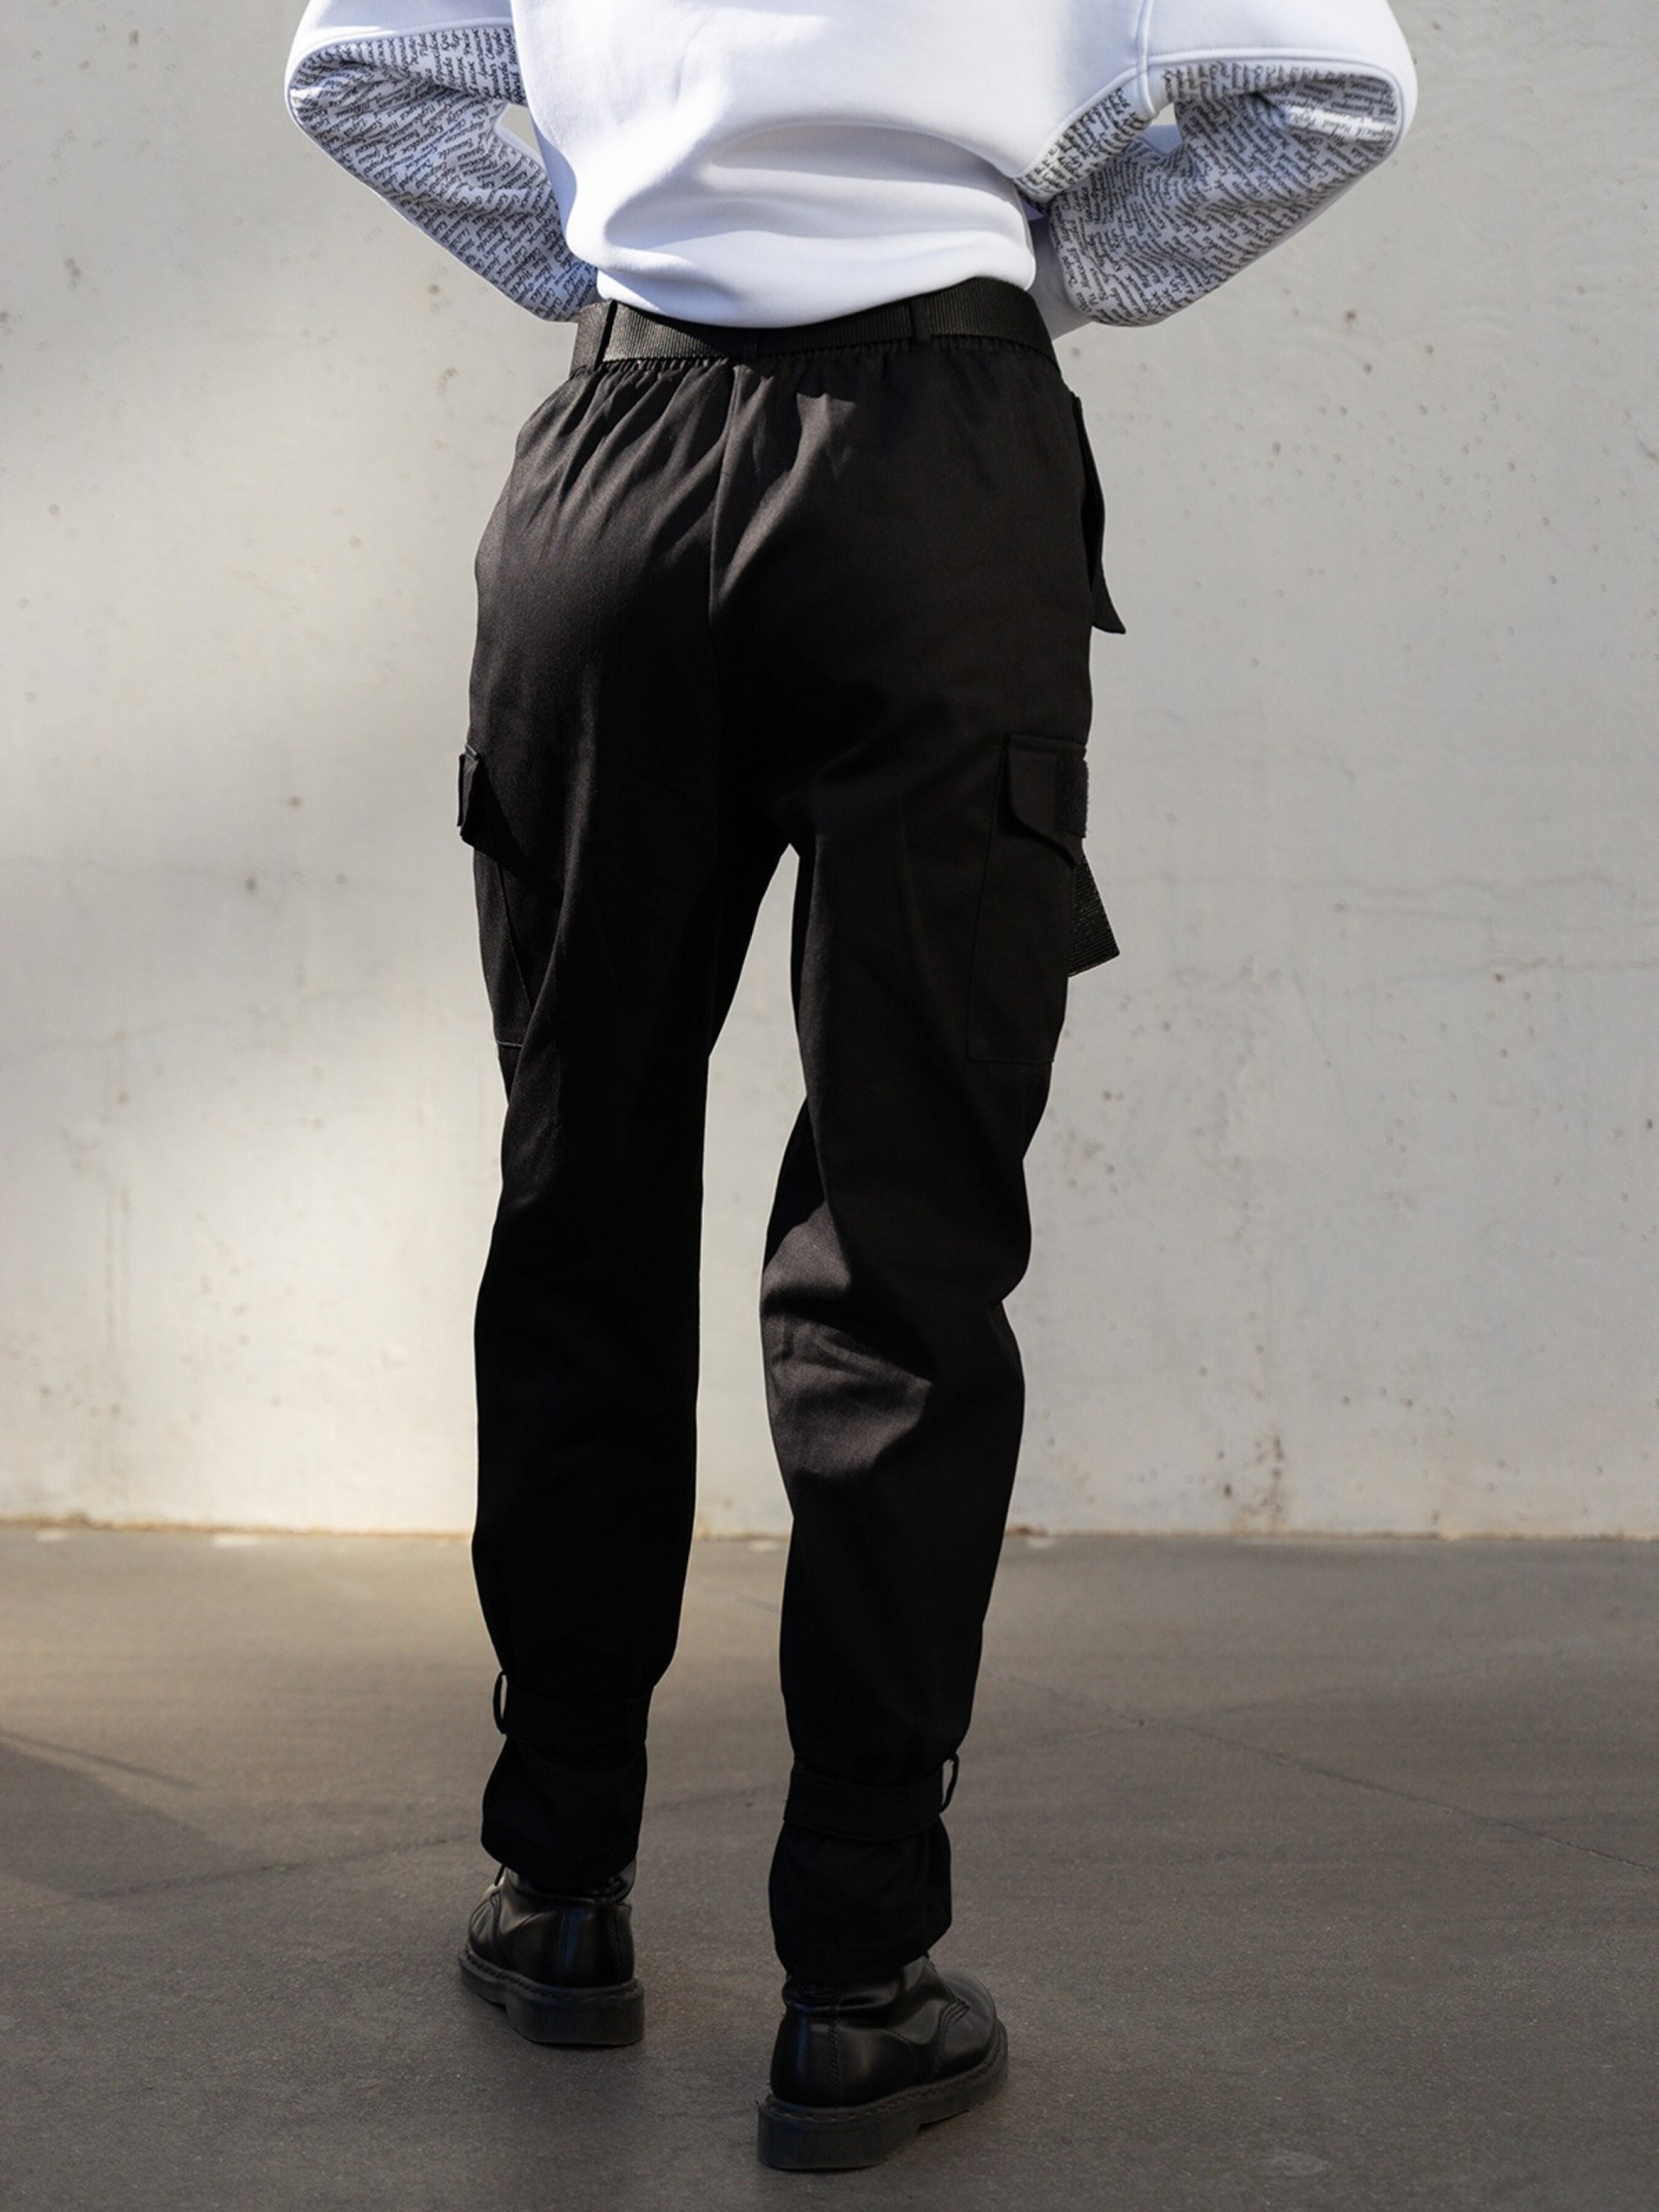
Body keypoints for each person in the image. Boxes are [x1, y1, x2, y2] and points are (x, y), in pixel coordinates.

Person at [283, 0, 1416, 2171]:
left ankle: (559, 1883)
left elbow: (360, 69)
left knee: (584, 1185)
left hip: (615, 467)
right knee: (899, 1245)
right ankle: (855, 1982)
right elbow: (1333, 88)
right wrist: (1032, 265)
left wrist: (618, 236)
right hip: (937, 478)